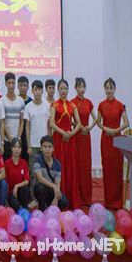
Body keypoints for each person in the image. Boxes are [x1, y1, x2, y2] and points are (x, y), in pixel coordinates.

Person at [49, 79, 82, 209]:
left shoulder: (72, 105)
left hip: (70, 140)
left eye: (65, 88)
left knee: (70, 168)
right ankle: (58, 198)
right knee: (59, 167)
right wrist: (63, 133)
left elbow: (79, 124)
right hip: (58, 139)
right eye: (61, 88)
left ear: (68, 90)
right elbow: (51, 123)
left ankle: (71, 199)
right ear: (58, 90)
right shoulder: (54, 105)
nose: (63, 91)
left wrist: (71, 133)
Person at [97, 78, 129, 210]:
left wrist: (115, 130)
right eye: (107, 88)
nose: (108, 90)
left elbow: (126, 123)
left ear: (114, 89)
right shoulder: (101, 105)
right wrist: (106, 129)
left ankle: (117, 201)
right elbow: (98, 122)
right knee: (107, 169)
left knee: (117, 169)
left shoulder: (120, 105)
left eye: (111, 88)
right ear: (104, 89)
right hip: (105, 139)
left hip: (117, 140)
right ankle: (108, 201)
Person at [71, 77, 96, 207]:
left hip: (86, 136)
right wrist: (79, 126)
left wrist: (89, 127)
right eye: (79, 87)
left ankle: (87, 198)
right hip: (76, 136)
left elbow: (96, 119)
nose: (81, 89)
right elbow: (69, 120)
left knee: (86, 166)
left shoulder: (88, 102)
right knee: (77, 166)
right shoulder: (72, 103)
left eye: (83, 87)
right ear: (75, 88)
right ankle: (78, 197)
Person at [24, 80, 50, 203]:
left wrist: (50, 144)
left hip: (45, 146)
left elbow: (49, 125)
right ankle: (33, 198)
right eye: (36, 89)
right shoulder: (28, 107)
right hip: (33, 145)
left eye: (40, 90)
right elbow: (27, 127)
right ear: (32, 91)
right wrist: (29, 145)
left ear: (42, 91)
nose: (38, 92)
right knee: (33, 173)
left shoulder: (47, 105)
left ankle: (44, 199)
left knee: (45, 172)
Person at [33, 136, 69, 210]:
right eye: (45, 147)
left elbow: (57, 183)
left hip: (52, 190)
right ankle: (42, 208)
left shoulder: (57, 164)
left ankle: (52, 208)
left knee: (64, 202)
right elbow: (40, 178)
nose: (47, 149)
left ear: (53, 148)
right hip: (42, 188)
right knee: (40, 188)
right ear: (41, 148)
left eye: (49, 147)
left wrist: (56, 198)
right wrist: (53, 186)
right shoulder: (37, 159)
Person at [2, 73, 25, 159]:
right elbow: (3, 122)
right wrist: (9, 137)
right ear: (5, 84)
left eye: (13, 83)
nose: (11, 85)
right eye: (9, 83)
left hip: (18, 141)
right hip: (6, 140)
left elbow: (22, 121)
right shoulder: (2, 101)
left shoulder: (21, 101)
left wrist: (18, 137)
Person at [5, 138, 32, 210]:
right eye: (14, 147)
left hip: (21, 191)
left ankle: (25, 208)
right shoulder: (7, 163)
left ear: (21, 149)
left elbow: (26, 181)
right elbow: (5, 182)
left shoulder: (24, 163)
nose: (17, 149)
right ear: (11, 148)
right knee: (16, 206)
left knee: (26, 189)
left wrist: (16, 186)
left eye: (19, 147)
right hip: (11, 193)